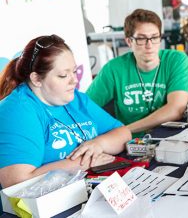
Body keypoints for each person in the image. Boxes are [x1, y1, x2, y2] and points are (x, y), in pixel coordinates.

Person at [0, 35, 131, 188]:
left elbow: (123, 133)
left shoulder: (75, 98)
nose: (74, 80)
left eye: (74, 72)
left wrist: (98, 144)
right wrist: (84, 161)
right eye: (63, 75)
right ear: (36, 79)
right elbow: (17, 182)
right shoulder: (17, 112)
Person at [86, 9, 188, 137]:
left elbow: (176, 109)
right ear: (129, 41)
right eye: (141, 39)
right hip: (130, 144)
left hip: (171, 140)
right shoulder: (114, 68)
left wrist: (124, 130)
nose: (149, 45)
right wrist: (108, 130)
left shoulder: (176, 60)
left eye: (154, 37)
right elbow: (84, 109)